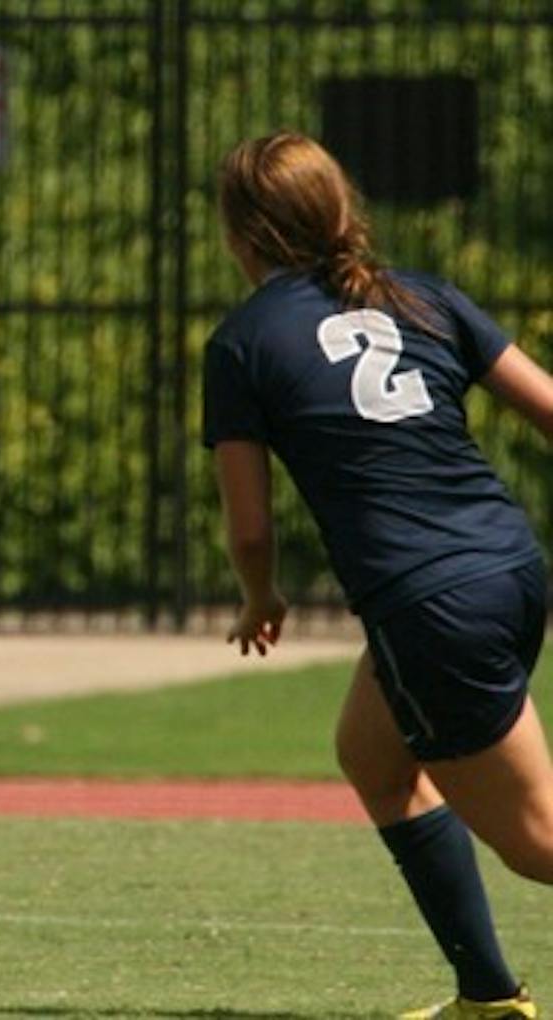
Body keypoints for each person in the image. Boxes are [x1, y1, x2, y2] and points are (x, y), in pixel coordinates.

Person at [205, 131, 553, 1020]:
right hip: (509, 564)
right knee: (372, 752)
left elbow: (248, 528)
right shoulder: (423, 297)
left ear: (244, 235)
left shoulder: (243, 342)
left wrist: (261, 596)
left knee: (537, 840)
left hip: (430, 604)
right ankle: (486, 995)